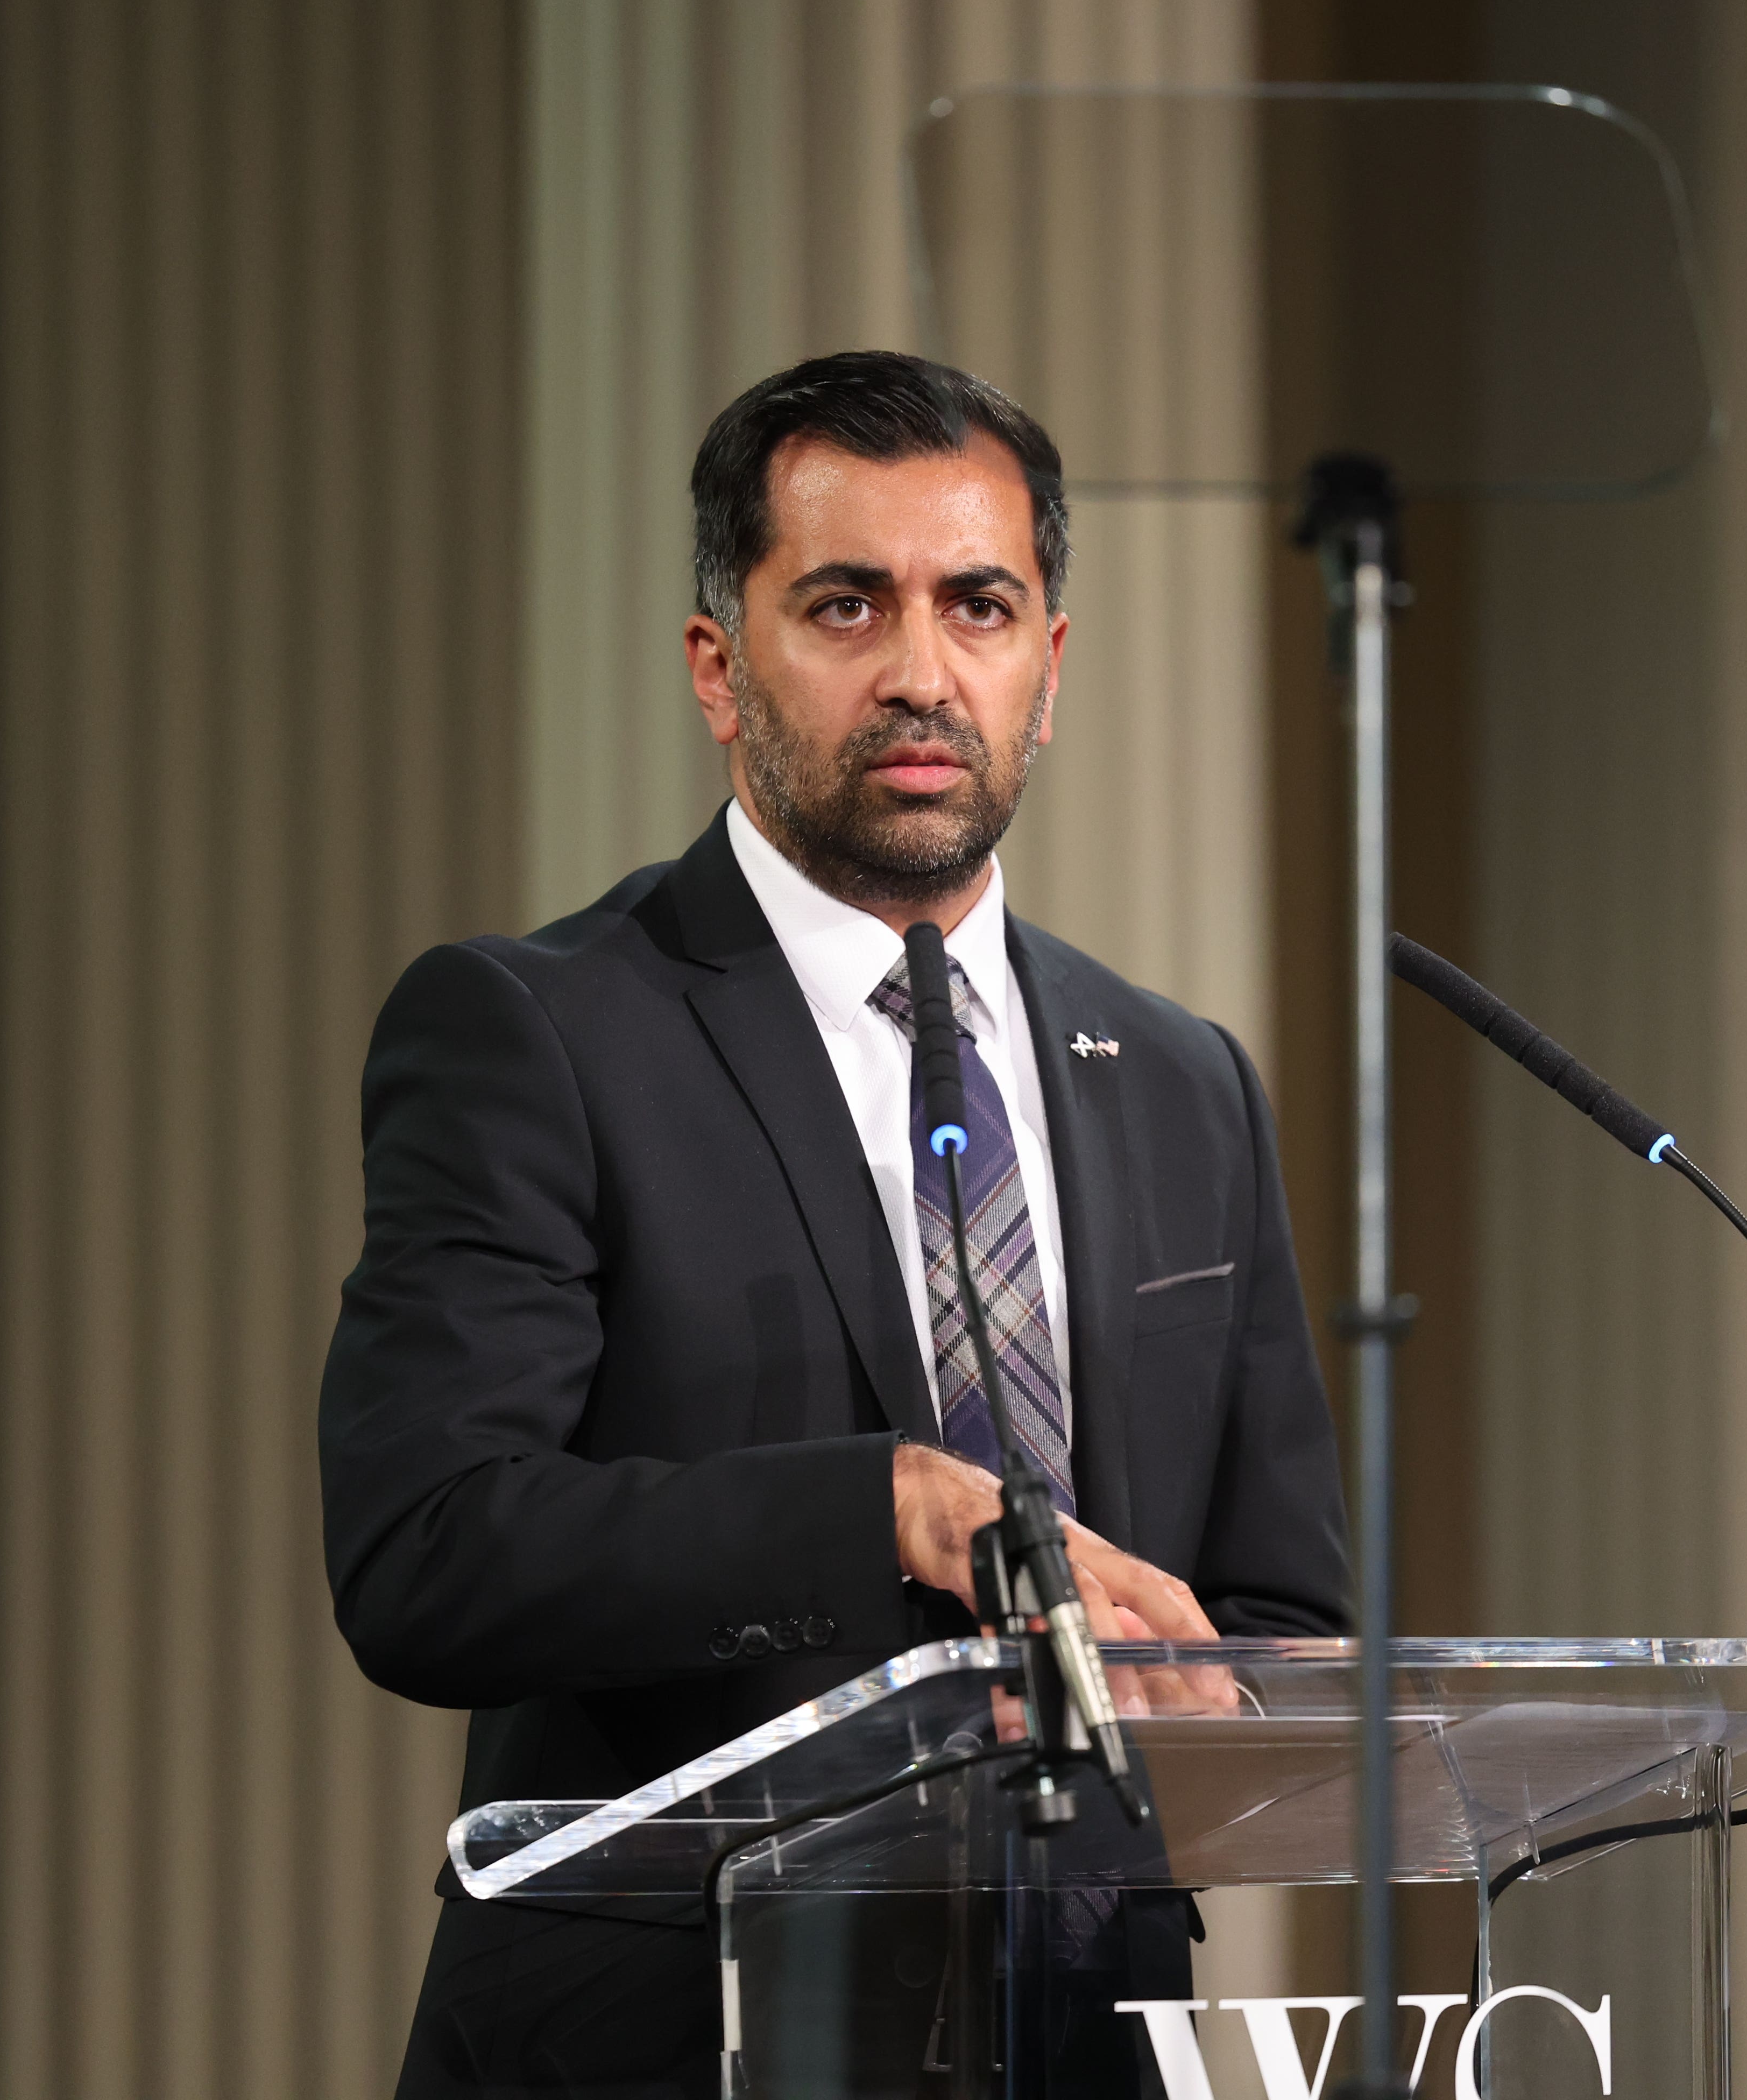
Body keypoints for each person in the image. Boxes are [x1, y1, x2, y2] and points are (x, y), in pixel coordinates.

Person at [320, 351, 1352, 2097]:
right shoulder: (541, 1031)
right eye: (848, 606)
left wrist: (1229, 1708)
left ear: (1051, 673)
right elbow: (430, 1552)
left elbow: (1278, 1612)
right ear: (720, 669)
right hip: (671, 2034)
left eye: (979, 606)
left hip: (1081, 2032)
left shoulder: (1184, 1081)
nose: (922, 672)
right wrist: (883, 1509)